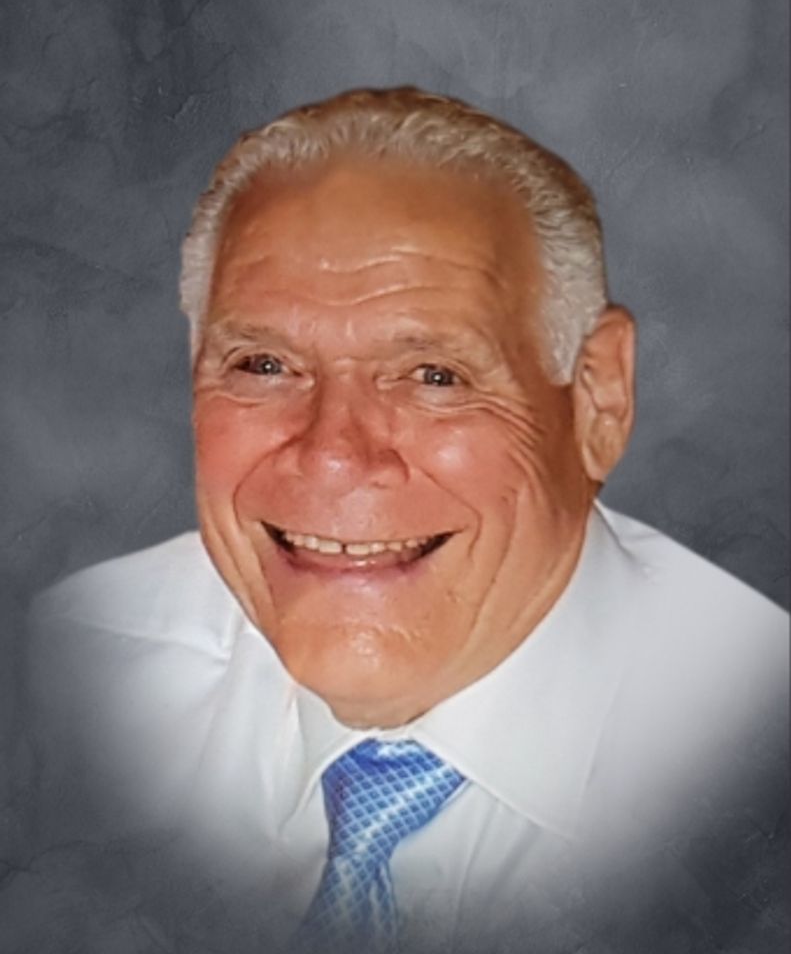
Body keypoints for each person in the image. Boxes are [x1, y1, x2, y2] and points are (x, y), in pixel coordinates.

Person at [23, 87, 788, 954]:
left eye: (434, 376)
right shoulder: (66, 684)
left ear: (597, 400)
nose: (333, 455)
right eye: (264, 364)